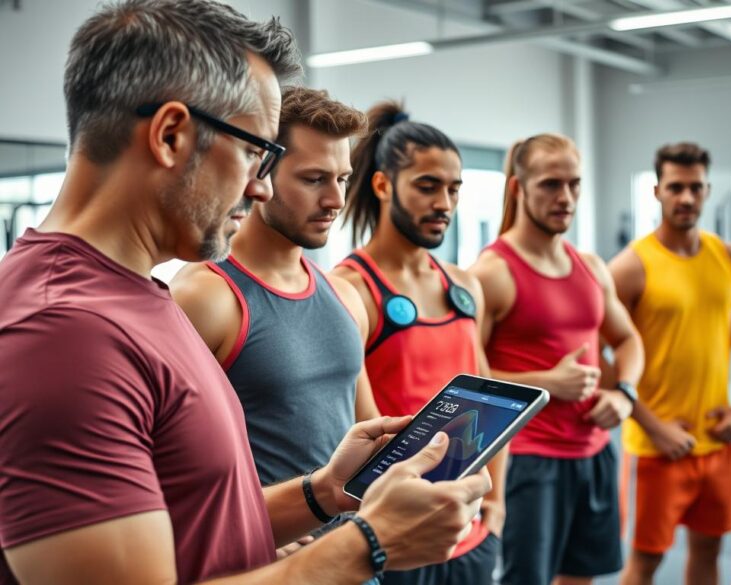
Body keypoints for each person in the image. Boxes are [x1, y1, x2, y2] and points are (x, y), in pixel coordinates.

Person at [0, 2, 488, 583]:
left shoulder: (134, 296)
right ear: (171, 135)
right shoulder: (65, 331)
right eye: (257, 153)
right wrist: (371, 545)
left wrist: (323, 492)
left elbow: (201, 524)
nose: (260, 188)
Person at [171, 86, 379, 490]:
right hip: (258, 531)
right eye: (314, 179)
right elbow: (170, 469)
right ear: (258, 172)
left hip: (351, 529)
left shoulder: (346, 296)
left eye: (342, 179)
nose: (336, 200)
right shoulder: (203, 299)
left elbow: (368, 432)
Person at [332, 101, 504, 585]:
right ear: (383, 185)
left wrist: (496, 504)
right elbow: (366, 432)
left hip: (469, 537)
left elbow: (491, 400)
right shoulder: (351, 290)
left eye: (454, 189)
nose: (444, 203)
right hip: (395, 539)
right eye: (427, 186)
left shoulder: (465, 285)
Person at [470, 133, 644, 585]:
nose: (565, 197)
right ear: (518, 188)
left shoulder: (592, 267)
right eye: (550, 184)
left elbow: (628, 340)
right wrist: (546, 383)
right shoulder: (492, 273)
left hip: (595, 451)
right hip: (529, 459)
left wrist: (624, 394)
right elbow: (465, 378)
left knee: (582, 578)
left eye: (574, 184)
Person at [608, 142, 731, 585]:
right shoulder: (631, 267)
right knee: (645, 563)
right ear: (657, 191)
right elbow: (597, 355)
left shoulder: (730, 259)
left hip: (717, 440)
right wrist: (651, 425)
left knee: (709, 551)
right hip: (655, 448)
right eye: (675, 187)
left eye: (696, 187)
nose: (686, 197)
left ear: (707, 190)